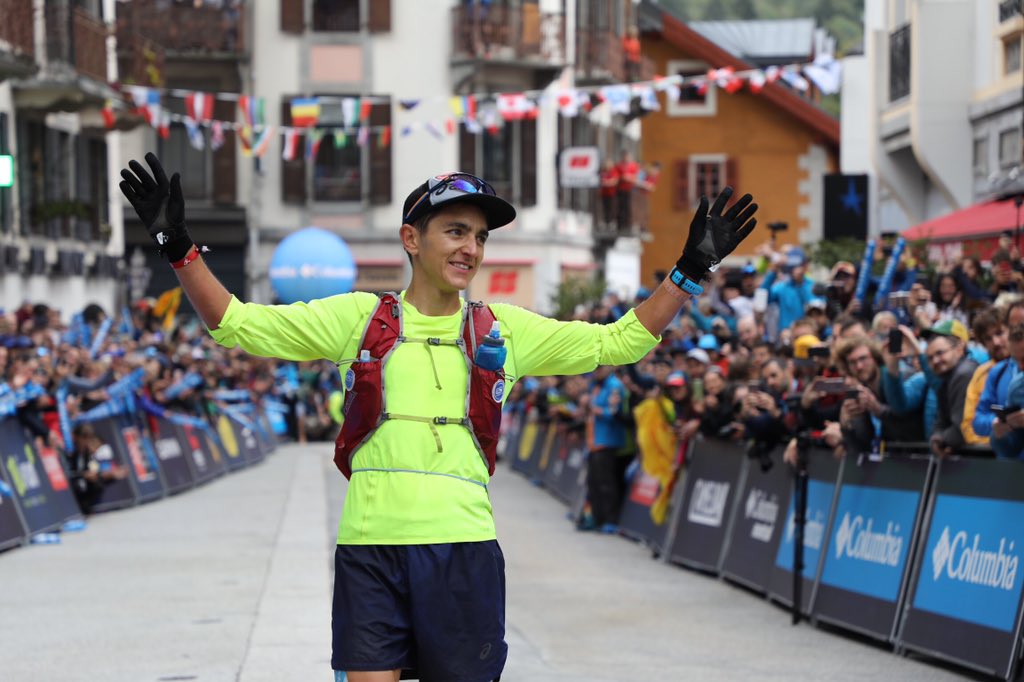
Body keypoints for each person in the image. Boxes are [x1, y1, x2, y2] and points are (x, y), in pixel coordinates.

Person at [118, 152, 758, 682]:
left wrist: (691, 270)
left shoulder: (504, 329)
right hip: (370, 549)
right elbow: (235, 325)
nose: (471, 248)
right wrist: (177, 246)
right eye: (455, 231)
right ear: (412, 239)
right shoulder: (357, 318)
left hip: (463, 551)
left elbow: (620, 342)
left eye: (479, 236)